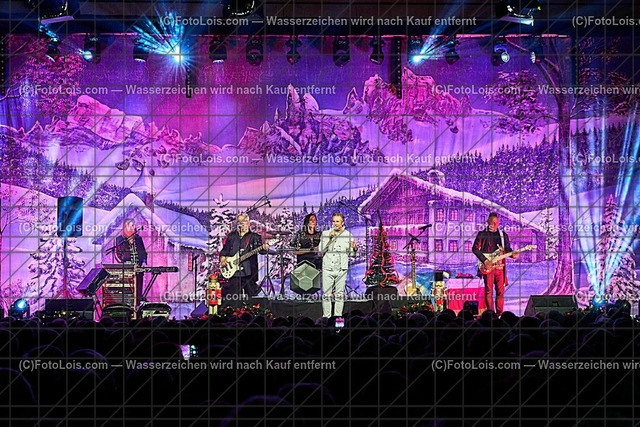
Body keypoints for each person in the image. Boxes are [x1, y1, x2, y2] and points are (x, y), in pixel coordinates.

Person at [472, 212, 519, 316]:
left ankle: (499, 315)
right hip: (488, 267)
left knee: (500, 292)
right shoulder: (482, 234)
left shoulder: (503, 235)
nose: (494, 225)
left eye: (496, 223)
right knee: (489, 291)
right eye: (492, 222)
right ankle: (491, 314)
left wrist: (512, 254)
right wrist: (485, 260)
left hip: (500, 268)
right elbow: (475, 249)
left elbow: (507, 249)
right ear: (487, 222)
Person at [219, 213, 269, 305]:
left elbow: (261, 251)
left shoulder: (255, 237)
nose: (241, 223)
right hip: (233, 273)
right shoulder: (231, 236)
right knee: (232, 300)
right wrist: (222, 258)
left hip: (249, 273)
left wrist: (265, 248)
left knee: (252, 300)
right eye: (239, 221)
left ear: (248, 223)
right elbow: (225, 250)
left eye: (244, 221)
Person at [319, 213, 357, 318]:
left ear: (342, 222)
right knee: (326, 295)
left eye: (337, 221)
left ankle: (337, 318)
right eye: (333, 221)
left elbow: (352, 254)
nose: (335, 223)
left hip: (341, 269)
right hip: (328, 268)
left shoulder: (348, 235)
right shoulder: (326, 233)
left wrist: (354, 248)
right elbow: (321, 250)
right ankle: (326, 318)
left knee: (339, 295)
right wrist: (329, 239)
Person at [114, 218, 147, 299]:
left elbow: (143, 252)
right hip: (126, 270)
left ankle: (138, 302)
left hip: (138, 268)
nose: (134, 227)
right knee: (128, 290)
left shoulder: (138, 238)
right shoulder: (119, 239)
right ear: (126, 226)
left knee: (138, 289)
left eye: (134, 225)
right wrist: (124, 264)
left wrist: (143, 262)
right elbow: (117, 254)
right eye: (132, 225)